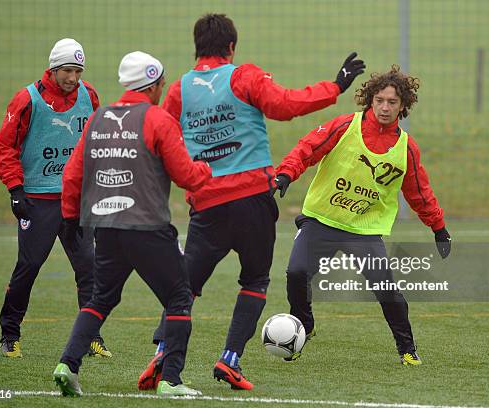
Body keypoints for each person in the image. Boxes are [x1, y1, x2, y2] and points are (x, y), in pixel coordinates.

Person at [139, 13, 365, 391]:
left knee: (185, 289)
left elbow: (161, 140)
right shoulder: (244, 76)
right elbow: (287, 105)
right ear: (231, 47)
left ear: (197, 48)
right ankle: (230, 359)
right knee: (256, 280)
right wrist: (336, 85)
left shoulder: (179, 90)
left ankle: (163, 351)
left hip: (207, 204)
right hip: (252, 202)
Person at [52, 51, 212, 397]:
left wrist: (68, 216)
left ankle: (67, 364)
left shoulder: (98, 119)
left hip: (105, 227)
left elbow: (73, 174)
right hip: (147, 227)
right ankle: (171, 380)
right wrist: (205, 169)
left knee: (100, 298)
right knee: (179, 298)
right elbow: (186, 175)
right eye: (162, 84)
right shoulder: (157, 119)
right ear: (152, 85)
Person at [271, 65, 451, 365]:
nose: (384, 107)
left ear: (403, 106)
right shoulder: (344, 127)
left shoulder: (406, 148)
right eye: (379, 100)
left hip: (363, 230)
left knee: (386, 288)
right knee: (296, 273)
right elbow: (307, 148)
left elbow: (419, 193)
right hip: (322, 220)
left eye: (392, 102)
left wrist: (439, 228)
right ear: (370, 100)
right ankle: (304, 325)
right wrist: (286, 174)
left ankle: (407, 348)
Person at [0, 38, 111, 358]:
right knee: (29, 266)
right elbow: (5, 148)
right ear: (53, 68)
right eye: (67, 71)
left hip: (77, 199)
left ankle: (91, 336)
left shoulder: (89, 95)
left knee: (89, 268)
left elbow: (95, 142)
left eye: (78, 70)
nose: (73, 78)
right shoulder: (27, 99)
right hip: (38, 199)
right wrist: (15, 190)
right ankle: (9, 333)